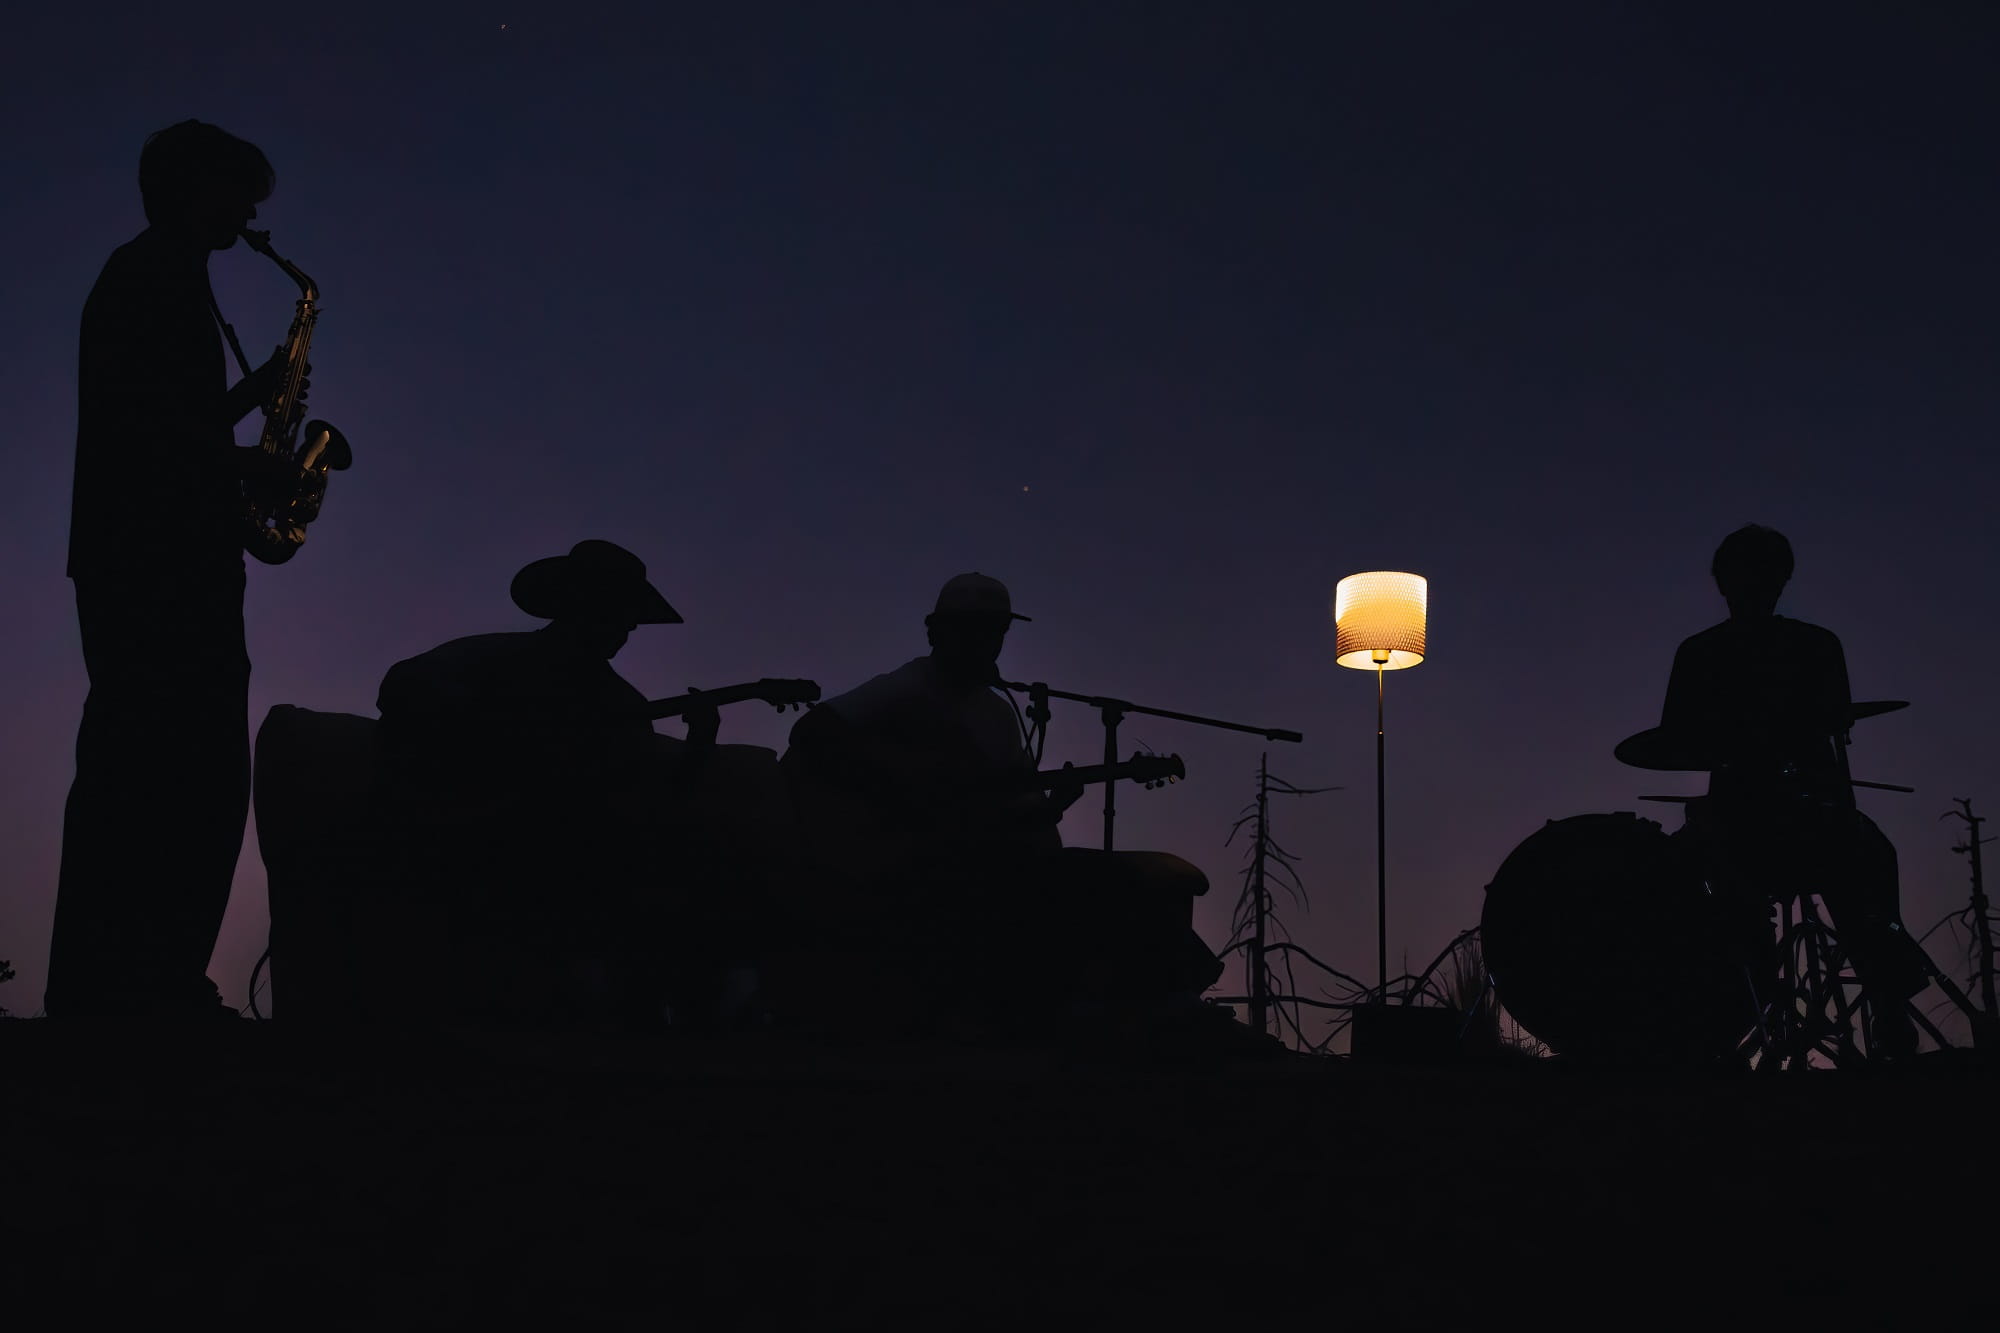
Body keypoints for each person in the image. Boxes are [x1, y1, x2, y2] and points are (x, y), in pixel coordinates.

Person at [46, 121, 296, 1020]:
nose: (249, 215)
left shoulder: (159, 274)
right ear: (193, 184)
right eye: (238, 193)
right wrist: (250, 463)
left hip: (152, 550)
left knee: (149, 761)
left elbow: (161, 418)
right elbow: (144, 436)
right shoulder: (151, 274)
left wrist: (248, 398)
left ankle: (123, 984)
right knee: (176, 767)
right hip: (157, 555)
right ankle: (140, 986)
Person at [780, 572, 1234, 1045]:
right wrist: (901, 783)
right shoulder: (907, 687)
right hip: (910, 858)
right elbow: (812, 732)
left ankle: (1165, 1006)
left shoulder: (997, 714)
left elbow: (1002, 812)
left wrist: (1047, 811)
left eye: (993, 632)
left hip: (973, 855)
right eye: (970, 630)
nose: (983, 643)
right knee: (1066, 883)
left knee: (1106, 876)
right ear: (936, 633)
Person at [375, 540, 751, 1029]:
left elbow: (649, 805)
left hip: (572, 849)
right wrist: (500, 736)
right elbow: (404, 686)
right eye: (617, 614)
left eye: (630, 620)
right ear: (576, 604)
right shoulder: (497, 655)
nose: (627, 630)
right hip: (476, 830)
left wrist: (700, 743)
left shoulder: (623, 703)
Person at [1660, 525, 1926, 1057]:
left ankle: (1887, 1003)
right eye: (1744, 573)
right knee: (1673, 877)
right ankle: (1717, 1015)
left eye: (1765, 573)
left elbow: (1833, 730)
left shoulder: (1815, 646)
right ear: (1723, 582)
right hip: (1735, 816)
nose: (1755, 585)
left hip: (1809, 815)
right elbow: (1676, 741)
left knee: (1869, 855)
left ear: (1782, 580)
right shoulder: (1701, 653)